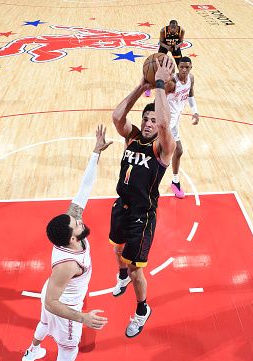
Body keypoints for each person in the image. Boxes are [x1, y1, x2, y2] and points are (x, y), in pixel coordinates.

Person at [22, 125, 111, 361]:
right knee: (68, 350)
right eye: (75, 223)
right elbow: (52, 302)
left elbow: (84, 188)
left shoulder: (69, 234)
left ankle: (32, 351)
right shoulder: (67, 264)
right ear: (72, 238)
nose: (79, 218)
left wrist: (95, 153)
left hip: (51, 292)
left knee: (45, 323)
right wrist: (82, 317)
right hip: (64, 306)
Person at [109, 57, 176, 338]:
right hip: (120, 207)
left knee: (137, 269)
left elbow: (164, 123)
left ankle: (141, 310)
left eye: (151, 120)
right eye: (145, 120)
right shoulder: (133, 137)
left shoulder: (163, 147)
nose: (148, 124)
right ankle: (121, 277)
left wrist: (159, 85)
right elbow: (117, 116)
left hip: (142, 215)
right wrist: (141, 86)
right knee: (116, 250)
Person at [166, 56, 199, 198]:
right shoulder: (172, 82)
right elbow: (159, 98)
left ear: (191, 67)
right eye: (182, 67)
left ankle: (175, 182)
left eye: (187, 67)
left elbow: (191, 95)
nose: (184, 70)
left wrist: (195, 112)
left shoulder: (191, 78)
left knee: (178, 151)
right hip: (165, 122)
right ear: (178, 67)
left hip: (175, 121)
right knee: (157, 155)